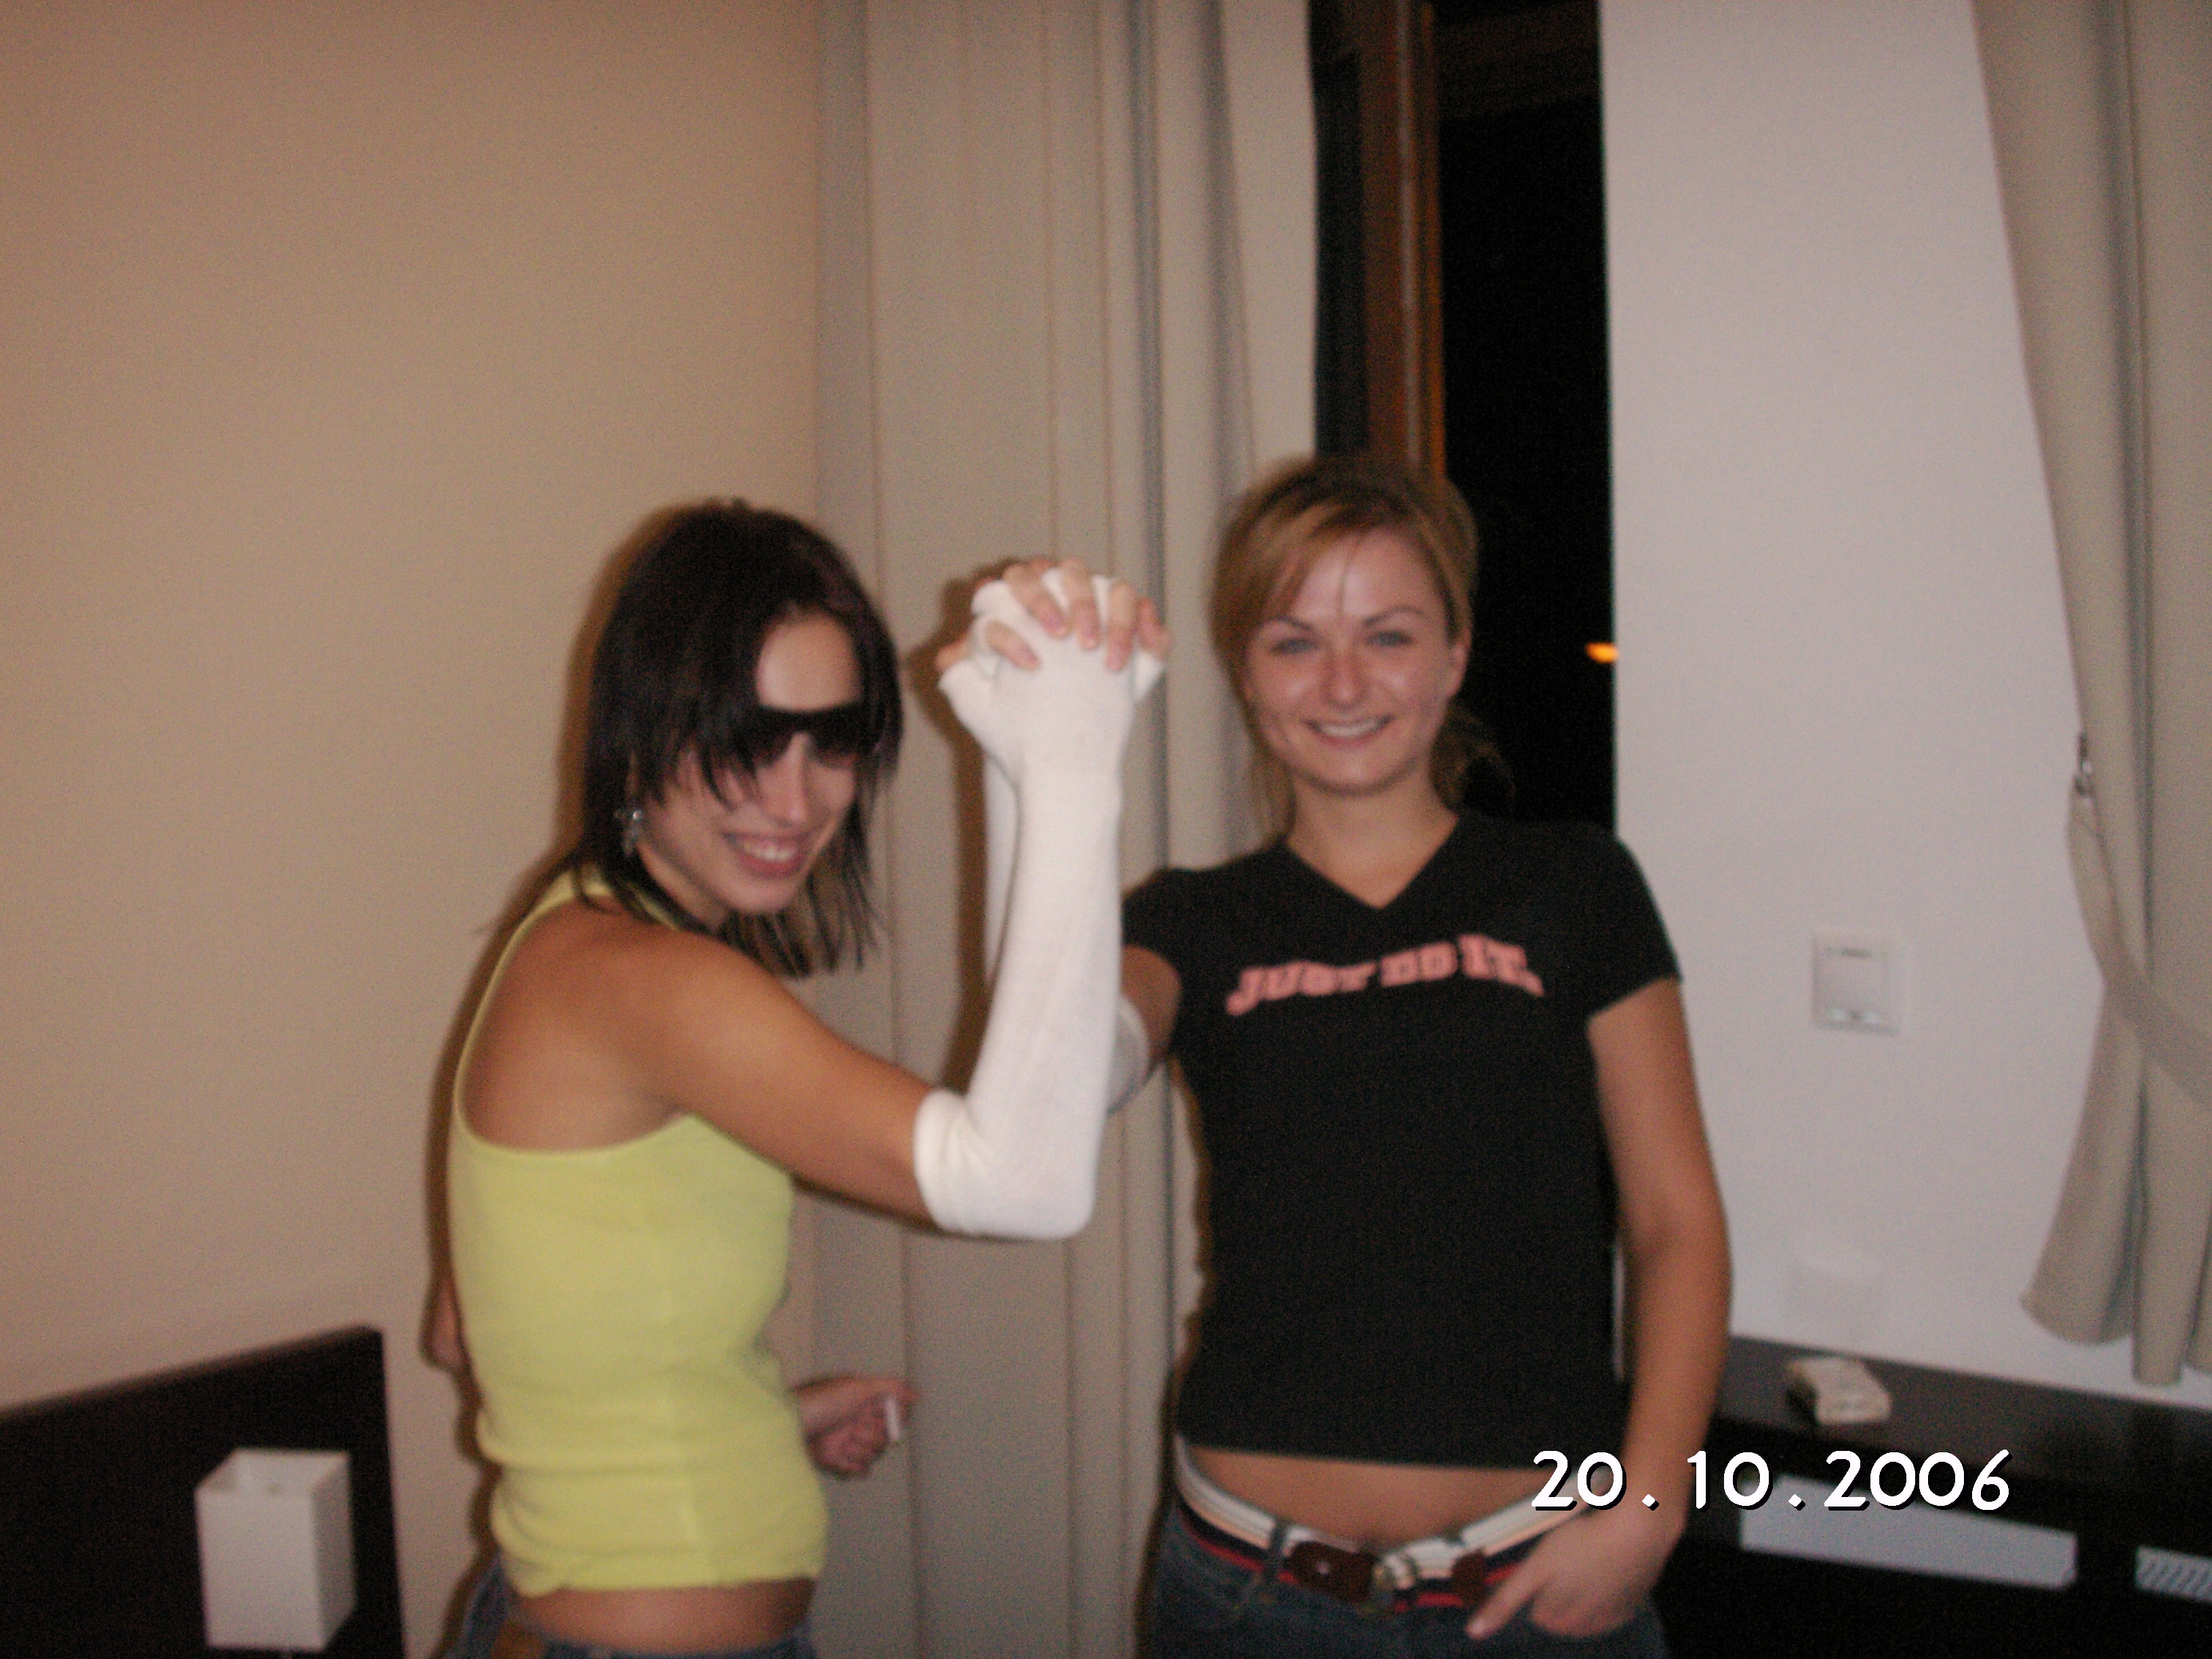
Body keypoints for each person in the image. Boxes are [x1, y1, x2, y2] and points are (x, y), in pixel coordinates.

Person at [1006, 454, 1728, 1655]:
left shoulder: (1575, 884)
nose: (1343, 683)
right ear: (1246, 673)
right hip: (1247, 1593)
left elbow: (1676, 1223)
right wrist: (1051, 744)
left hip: (1540, 1587)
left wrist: (1652, 1509)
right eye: (1294, 643)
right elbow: (1056, 1089)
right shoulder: (1186, 920)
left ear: (1453, 656)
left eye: (1388, 636)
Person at [431, 500, 1162, 1659]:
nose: (796, 800)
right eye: (746, 742)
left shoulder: (574, 935)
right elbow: (1027, 1180)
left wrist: (753, 1425)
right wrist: (1066, 765)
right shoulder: (652, 983)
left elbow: (472, 1327)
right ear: (639, 736)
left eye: (831, 743)